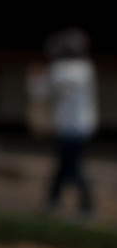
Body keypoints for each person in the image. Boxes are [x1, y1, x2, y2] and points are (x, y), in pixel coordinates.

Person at [37, 28, 98, 218]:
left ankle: (86, 204)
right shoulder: (87, 68)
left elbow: (42, 93)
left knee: (71, 167)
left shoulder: (60, 71)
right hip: (81, 126)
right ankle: (53, 199)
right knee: (64, 164)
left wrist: (35, 79)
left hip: (70, 127)